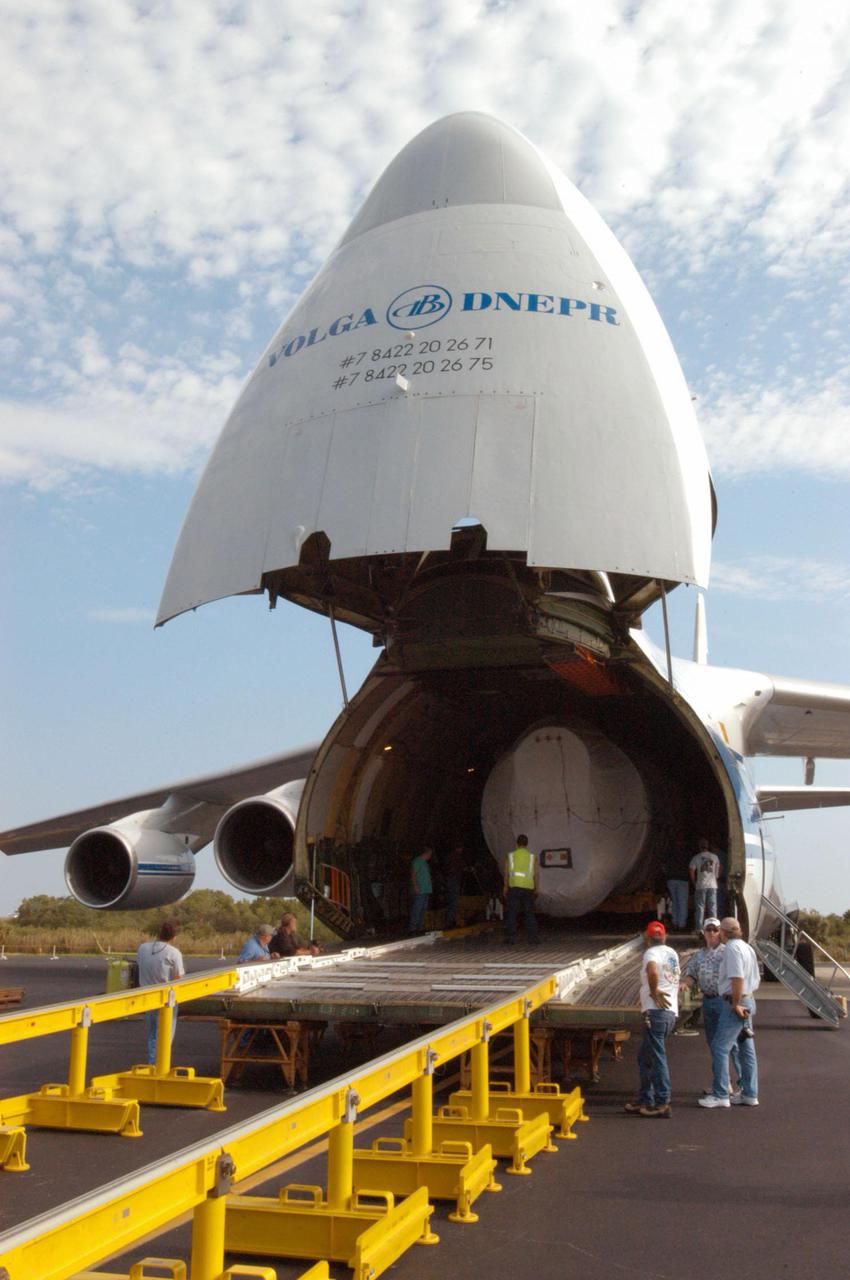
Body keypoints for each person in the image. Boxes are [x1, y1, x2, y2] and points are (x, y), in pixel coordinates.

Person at [698, 916, 760, 1108]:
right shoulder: (747, 947)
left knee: (719, 1046)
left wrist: (734, 1004)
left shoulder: (732, 949)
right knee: (746, 1049)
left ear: (724, 932)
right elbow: (755, 977)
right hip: (748, 999)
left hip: (736, 1002)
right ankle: (750, 1093)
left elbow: (737, 978)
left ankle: (721, 1094)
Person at [624, 920, 680, 1118]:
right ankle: (644, 1097)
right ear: (664, 936)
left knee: (657, 1056)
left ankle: (662, 1101)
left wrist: (654, 991)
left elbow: (653, 970)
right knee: (645, 1057)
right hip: (670, 1012)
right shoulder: (672, 953)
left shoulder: (651, 953)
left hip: (656, 1012)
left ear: (647, 938)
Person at [680, 916, 740, 1090]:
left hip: (724, 1001)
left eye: (715, 930)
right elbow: (691, 975)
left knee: (732, 1044)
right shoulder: (699, 956)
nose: (712, 933)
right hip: (708, 1001)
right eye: (709, 930)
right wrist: (684, 984)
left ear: (720, 932)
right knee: (714, 1044)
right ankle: (722, 1084)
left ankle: (742, 1083)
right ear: (704, 932)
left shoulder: (726, 952)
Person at [136, 919, 184, 1066]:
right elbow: (178, 977)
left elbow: (139, 965)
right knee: (165, 1034)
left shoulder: (143, 948)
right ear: (174, 936)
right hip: (165, 998)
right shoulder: (173, 953)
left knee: (153, 1034)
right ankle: (159, 1064)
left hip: (147, 995)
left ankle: (152, 1062)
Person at [503, 834, 539, 945]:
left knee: (512, 913)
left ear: (517, 843)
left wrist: (505, 887)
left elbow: (506, 873)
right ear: (526, 844)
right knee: (529, 913)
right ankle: (532, 938)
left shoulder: (510, 856)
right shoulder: (532, 857)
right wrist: (536, 888)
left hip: (514, 887)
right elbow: (536, 874)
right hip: (528, 888)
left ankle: (511, 938)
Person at [689, 839, 722, 930]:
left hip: (700, 885)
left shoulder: (696, 857)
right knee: (712, 907)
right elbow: (717, 871)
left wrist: (694, 881)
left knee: (700, 907)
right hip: (712, 885)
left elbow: (691, 870)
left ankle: (699, 929)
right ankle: (714, 927)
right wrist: (716, 878)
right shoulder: (715, 857)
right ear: (708, 846)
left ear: (699, 847)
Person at [408, 847, 433, 932]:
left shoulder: (425, 863)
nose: (430, 855)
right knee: (417, 908)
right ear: (426, 853)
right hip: (420, 889)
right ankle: (413, 928)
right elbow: (413, 874)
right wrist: (415, 886)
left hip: (426, 889)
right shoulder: (417, 861)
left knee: (423, 909)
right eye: (430, 853)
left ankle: (420, 927)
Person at [444, 843, 466, 929]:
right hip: (454, 880)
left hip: (450, 880)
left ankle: (450, 920)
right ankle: (449, 921)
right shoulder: (457, 857)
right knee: (454, 901)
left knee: (451, 900)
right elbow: (460, 866)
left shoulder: (450, 856)